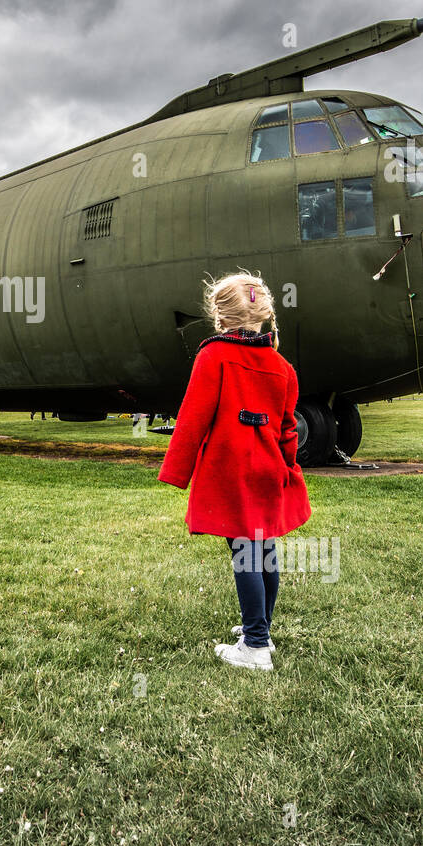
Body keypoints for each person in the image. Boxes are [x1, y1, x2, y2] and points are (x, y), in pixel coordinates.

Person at [157, 272, 311, 671]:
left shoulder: (214, 356)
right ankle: (260, 630)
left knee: (245, 551)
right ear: (265, 315)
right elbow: (287, 428)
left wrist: (176, 471)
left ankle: (256, 647)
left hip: (232, 473)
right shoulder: (283, 368)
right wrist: (289, 468)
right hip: (268, 470)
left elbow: (192, 418)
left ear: (219, 317)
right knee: (263, 550)